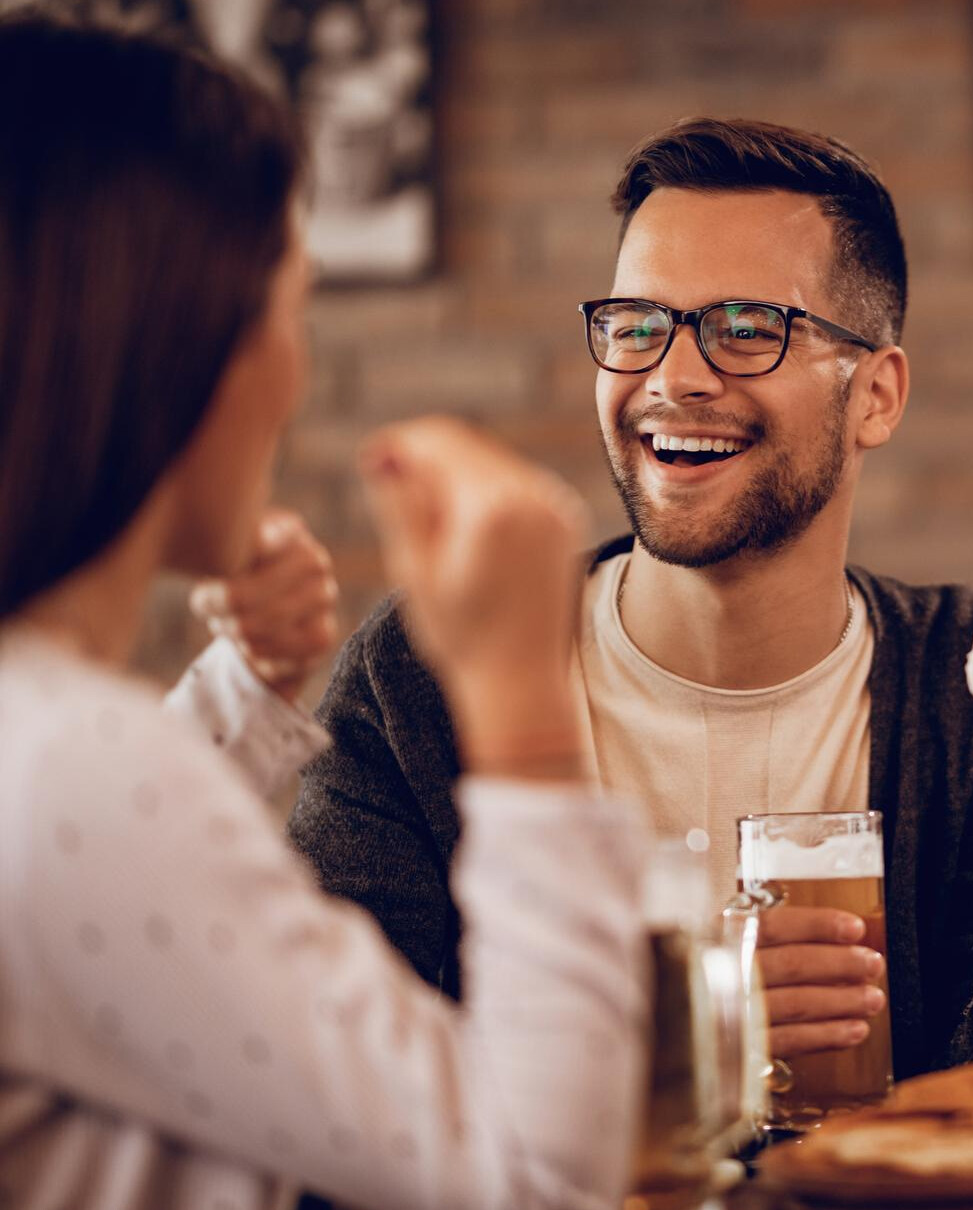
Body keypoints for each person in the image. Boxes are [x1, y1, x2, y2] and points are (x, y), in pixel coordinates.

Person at [285, 118, 973, 1079]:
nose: (671, 379)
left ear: (876, 397)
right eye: (636, 325)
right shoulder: (426, 670)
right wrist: (686, 1030)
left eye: (748, 330)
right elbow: (332, 1070)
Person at [0, 12, 656, 1210]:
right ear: (184, 343)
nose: (297, 371)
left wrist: (245, 694)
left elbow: (115, 934)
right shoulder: (73, 769)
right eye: (289, 309)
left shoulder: (49, 742)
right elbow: (536, 1176)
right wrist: (520, 702)